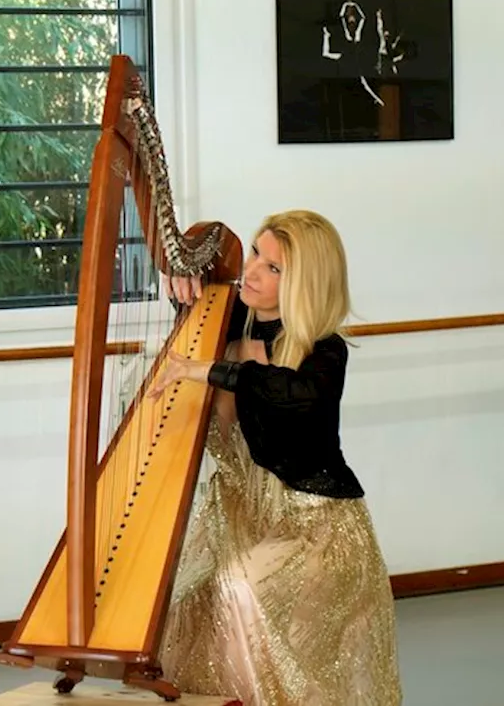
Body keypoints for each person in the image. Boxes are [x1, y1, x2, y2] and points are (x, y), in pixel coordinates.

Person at [148, 210, 401, 705]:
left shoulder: (323, 354)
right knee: (183, 602)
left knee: (237, 589)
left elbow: (292, 394)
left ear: (304, 284)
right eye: (257, 255)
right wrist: (183, 284)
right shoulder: (220, 330)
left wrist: (215, 371)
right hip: (239, 514)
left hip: (316, 528)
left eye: (274, 267)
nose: (254, 271)